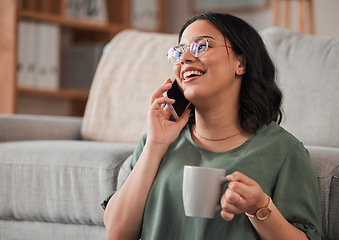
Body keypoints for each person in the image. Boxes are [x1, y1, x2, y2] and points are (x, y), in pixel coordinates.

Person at [102, 12, 321, 240]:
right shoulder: (157, 140)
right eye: (179, 51)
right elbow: (117, 233)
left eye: (202, 46)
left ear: (241, 63)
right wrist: (155, 145)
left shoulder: (284, 150)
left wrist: (260, 208)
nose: (185, 57)